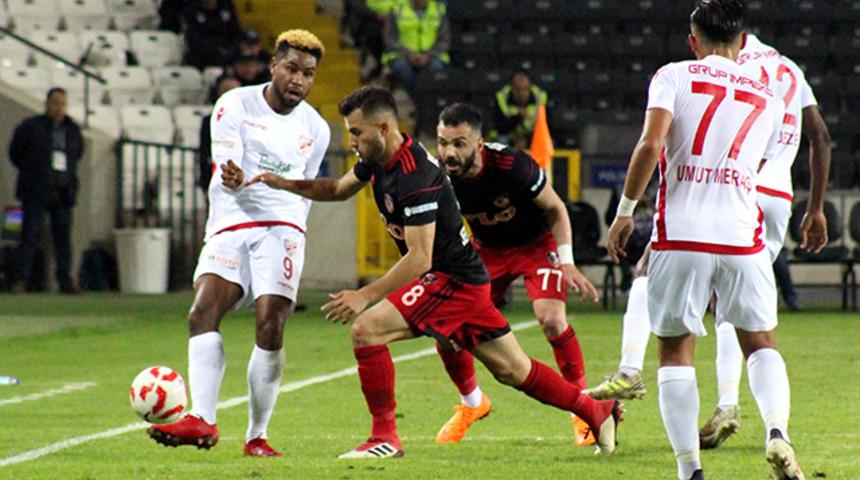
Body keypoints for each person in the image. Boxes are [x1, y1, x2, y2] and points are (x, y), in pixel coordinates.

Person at [243, 85, 621, 459]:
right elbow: (338, 189)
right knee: (514, 370)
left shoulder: (415, 175)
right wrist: (282, 183)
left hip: (450, 279)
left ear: (384, 129)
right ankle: (595, 410)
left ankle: (384, 437)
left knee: (367, 330)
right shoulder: (380, 161)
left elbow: (420, 260)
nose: (352, 140)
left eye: (356, 132)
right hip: (465, 278)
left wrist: (364, 295)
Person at [586, 29, 832, 454]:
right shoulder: (790, 68)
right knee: (743, 313)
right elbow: (820, 137)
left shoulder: (736, 69)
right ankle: (733, 406)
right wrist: (816, 207)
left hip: (733, 192)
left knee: (658, 273)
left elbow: (685, 140)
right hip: (777, 199)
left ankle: (635, 371)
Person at [147, 30, 331, 458]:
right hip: (231, 219)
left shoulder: (316, 129)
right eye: (291, 68)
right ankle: (203, 420)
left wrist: (294, 237)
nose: (298, 80)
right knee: (202, 312)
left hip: (283, 227)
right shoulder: (234, 104)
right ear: (273, 66)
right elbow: (227, 161)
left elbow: (305, 187)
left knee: (271, 323)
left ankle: (256, 436)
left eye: (308, 73)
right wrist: (232, 175)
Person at [432, 102, 600, 447]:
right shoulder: (439, 176)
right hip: (485, 251)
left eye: (458, 143)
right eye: (443, 142)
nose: (449, 152)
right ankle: (472, 404)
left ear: (479, 144)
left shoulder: (512, 165)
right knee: (445, 328)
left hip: (536, 245)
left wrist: (566, 261)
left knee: (551, 319)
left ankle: (584, 409)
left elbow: (556, 208)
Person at [9, 87, 84, 294]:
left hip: (62, 191)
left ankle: (65, 281)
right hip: (36, 190)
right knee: (30, 236)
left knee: (63, 240)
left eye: (62, 104)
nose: (59, 108)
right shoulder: (31, 127)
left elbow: (76, 154)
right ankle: (21, 280)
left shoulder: (71, 129)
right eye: (55, 103)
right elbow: (15, 153)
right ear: (47, 104)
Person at [382, 0, 450, 97]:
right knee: (403, 69)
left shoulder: (439, 10)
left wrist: (428, 55)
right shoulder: (397, 8)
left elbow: (444, 40)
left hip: (431, 56)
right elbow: (390, 39)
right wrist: (409, 54)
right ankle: (420, 102)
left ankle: (424, 104)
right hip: (402, 55)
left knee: (435, 68)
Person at [197, 75, 241, 194]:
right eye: (226, 91)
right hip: (218, 179)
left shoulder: (250, 122)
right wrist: (205, 182)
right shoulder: (209, 121)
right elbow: (204, 153)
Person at [490, 71, 549, 151]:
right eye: (517, 90)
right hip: (510, 137)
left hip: (532, 136)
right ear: (512, 88)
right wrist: (518, 117)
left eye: (524, 89)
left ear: (530, 88)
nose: (521, 94)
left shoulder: (541, 98)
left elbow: (547, 126)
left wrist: (526, 139)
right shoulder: (501, 98)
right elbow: (500, 128)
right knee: (500, 141)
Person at [182, 0, 242, 70]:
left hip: (227, 53)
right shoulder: (193, 11)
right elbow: (192, 39)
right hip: (202, 56)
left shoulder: (226, 6)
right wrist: (215, 51)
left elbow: (236, 32)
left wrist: (230, 49)